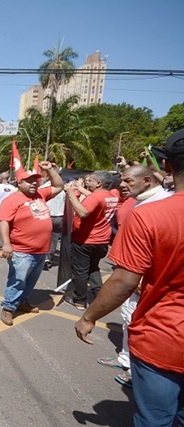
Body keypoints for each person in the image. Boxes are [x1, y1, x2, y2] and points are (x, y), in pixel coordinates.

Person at [75, 129, 184, 427]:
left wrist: (89, 316)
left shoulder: (148, 214)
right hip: (166, 340)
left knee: (154, 420)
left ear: (167, 168)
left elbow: (124, 281)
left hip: (164, 339)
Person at [95, 165, 171, 388]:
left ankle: (137, 371)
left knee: (140, 323)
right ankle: (126, 360)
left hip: (142, 279)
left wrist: (139, 276)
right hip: (134, 274)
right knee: (130, 318)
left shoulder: (159, 204)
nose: (122, 185)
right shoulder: (142, 201)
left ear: (147, 180)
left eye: (128, 180)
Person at [0, 162, 63, 326]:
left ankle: (22, 302)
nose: (34, 183)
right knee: (17, 281)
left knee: (30, 281)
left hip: (41, 250)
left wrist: (49, 169)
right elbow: (4, 221)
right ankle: (8, 308)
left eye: (36, 180)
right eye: (29, 180)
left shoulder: (40, 195)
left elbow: (59, 185)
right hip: (22, 251)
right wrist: (6, 244)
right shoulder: (13, 200)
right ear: (19, 183)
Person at [64, 171, 119, 310]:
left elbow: (82, 212)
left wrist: (71, 193)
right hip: (101, 241)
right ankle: (98, 294)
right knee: (93, 268)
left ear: (99, 183)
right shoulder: (111, 195)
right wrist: (80, 188)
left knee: (80, 271)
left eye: (90, 180)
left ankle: (79, 300)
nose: (87, 182)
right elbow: (95, 199)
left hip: (86, 240)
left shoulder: (96, 197)